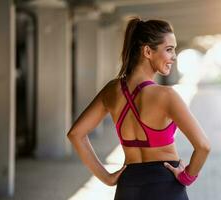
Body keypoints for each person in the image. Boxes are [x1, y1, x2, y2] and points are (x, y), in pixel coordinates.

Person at [67, 17, 211, 200]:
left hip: (128, 188)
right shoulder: (166, 96)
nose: (174, 56)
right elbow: (203, 146)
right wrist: (186, 176)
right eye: (169, 49)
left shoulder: (111, 90)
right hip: (165, 187)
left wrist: (107, 178)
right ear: (147, 51)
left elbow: (75, 134)